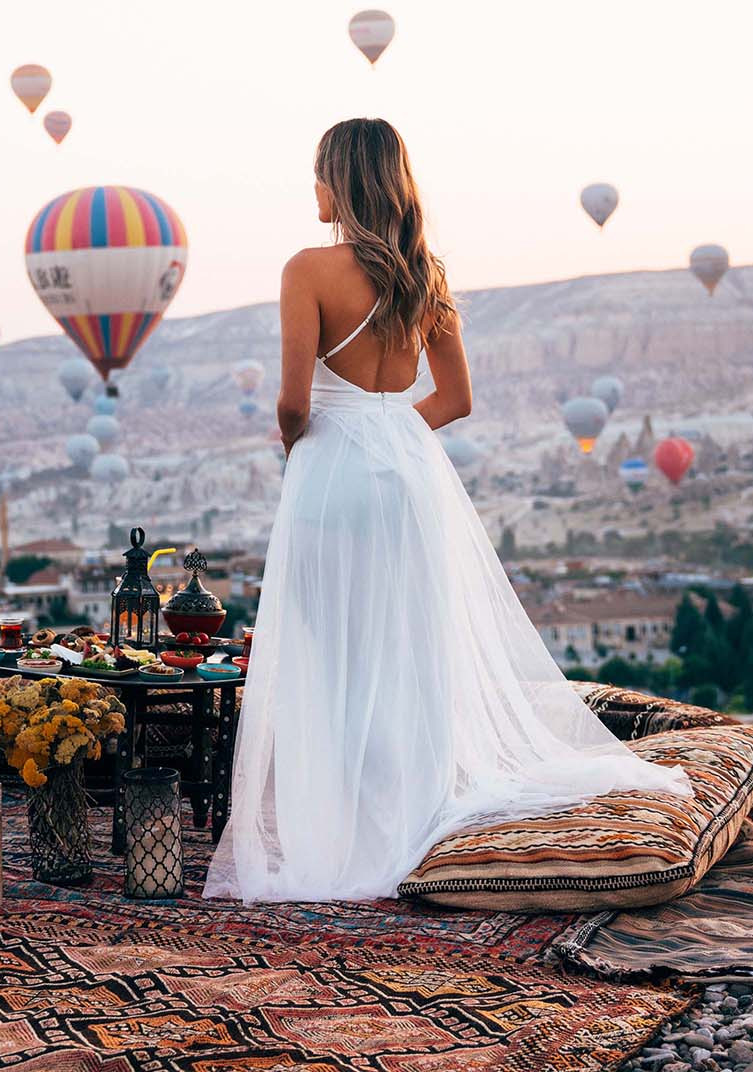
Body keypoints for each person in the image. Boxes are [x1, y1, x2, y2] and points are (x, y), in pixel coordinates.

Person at [206, 119, 686, 902]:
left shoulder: (307, 269)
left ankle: (347, 827)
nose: (313, 189)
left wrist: (309, 445)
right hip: (409, 477)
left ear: (344, 180)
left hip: (333, 476)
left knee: (331, 650)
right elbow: (457, 399)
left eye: (319, 173)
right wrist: (391, 428)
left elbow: (294, 402)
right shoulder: (425, 274)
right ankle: (418, 811)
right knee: (409, 645)